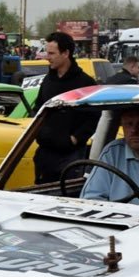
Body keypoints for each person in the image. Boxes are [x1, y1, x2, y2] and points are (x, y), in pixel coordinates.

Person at [33, 32, 100, 184]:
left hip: (71, 156)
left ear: (65, 53)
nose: (47, 57)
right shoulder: (47, 81)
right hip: (45, 154)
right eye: (47, 52)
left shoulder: (85, 83)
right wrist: (39, 132)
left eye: (52, 53)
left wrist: (76, 138)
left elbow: (95, 116)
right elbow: (38, 109)